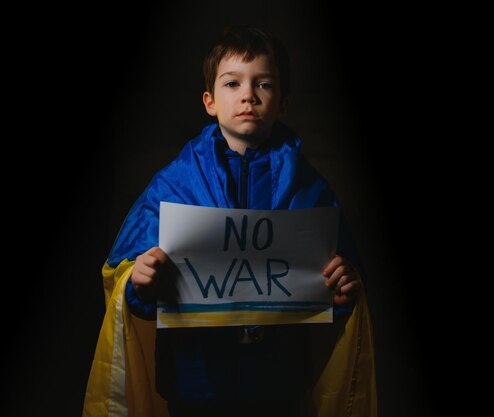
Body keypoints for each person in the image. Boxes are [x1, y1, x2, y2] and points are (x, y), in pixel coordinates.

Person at [83, 26, 376, 417]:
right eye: (233, 83)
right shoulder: (174, 185)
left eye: (264, 84)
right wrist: (138, 283)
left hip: (279, 382)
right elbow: (127, 281)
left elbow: (339, 284)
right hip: (195, 382)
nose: (248, 95)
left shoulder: (311, 190)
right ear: (210, 101)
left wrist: (341, 294)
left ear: (283, 103)